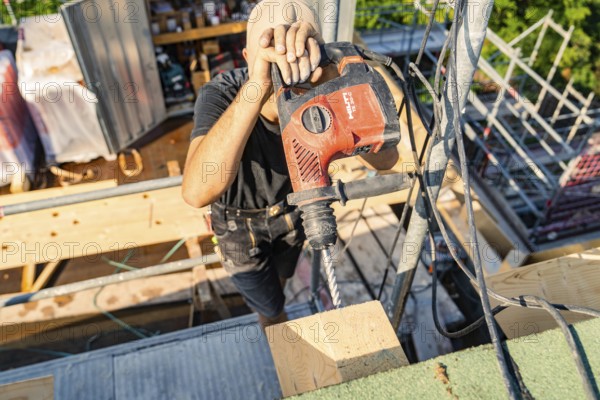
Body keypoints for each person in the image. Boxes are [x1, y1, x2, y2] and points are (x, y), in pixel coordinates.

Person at [182, 0, 399, 329]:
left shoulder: (322, 87)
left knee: (281, 283)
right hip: (238, 227)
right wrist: (258, 85)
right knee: (269, 309)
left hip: (293, 210)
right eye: (269, 52)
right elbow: (197, 192)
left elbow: (386, 160)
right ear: (246, 58)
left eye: (299, 52)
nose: (284, 65)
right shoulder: (222, 92)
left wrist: (332, 82)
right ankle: (281, 346)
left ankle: (281, 310)